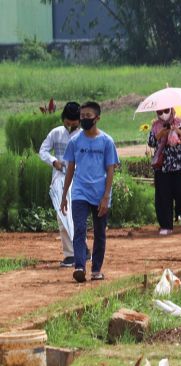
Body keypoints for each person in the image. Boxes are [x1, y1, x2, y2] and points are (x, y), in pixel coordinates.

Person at [60, 101, 119, 283]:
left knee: (100, 232)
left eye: (88, 116)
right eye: (82, 116)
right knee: (79, 229)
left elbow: (110, 170)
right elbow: (70, 168)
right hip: (79, 192)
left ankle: (96, 270)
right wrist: (64, 196)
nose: (84, 119)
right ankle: (79, 266)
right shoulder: (75, 141)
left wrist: (106, 196)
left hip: (100, 193)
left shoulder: (107, 142)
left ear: (97, 118)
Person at [39, 102, 84, 267]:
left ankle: (81, 250)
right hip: (59, 178)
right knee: (62, 214)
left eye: (74, 124)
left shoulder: (83, 136)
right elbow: (42, 151)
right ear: (63, 119)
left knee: (76, 215)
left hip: (78, 179)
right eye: (67, 123)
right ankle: (70, 254)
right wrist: (53, 161)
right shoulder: (56, 133)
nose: (70, 126)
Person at [148, 107, 181, 235]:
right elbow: (151, 142)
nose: (163, 114)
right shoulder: (156, 126)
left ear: (172, 110)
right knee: (163, 196)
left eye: (166, 111)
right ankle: (166, 225)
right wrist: (161, 134)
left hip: (180, 164)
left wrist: (176, 130)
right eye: (159, 112)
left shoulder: (180, 122)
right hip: (162, 166)